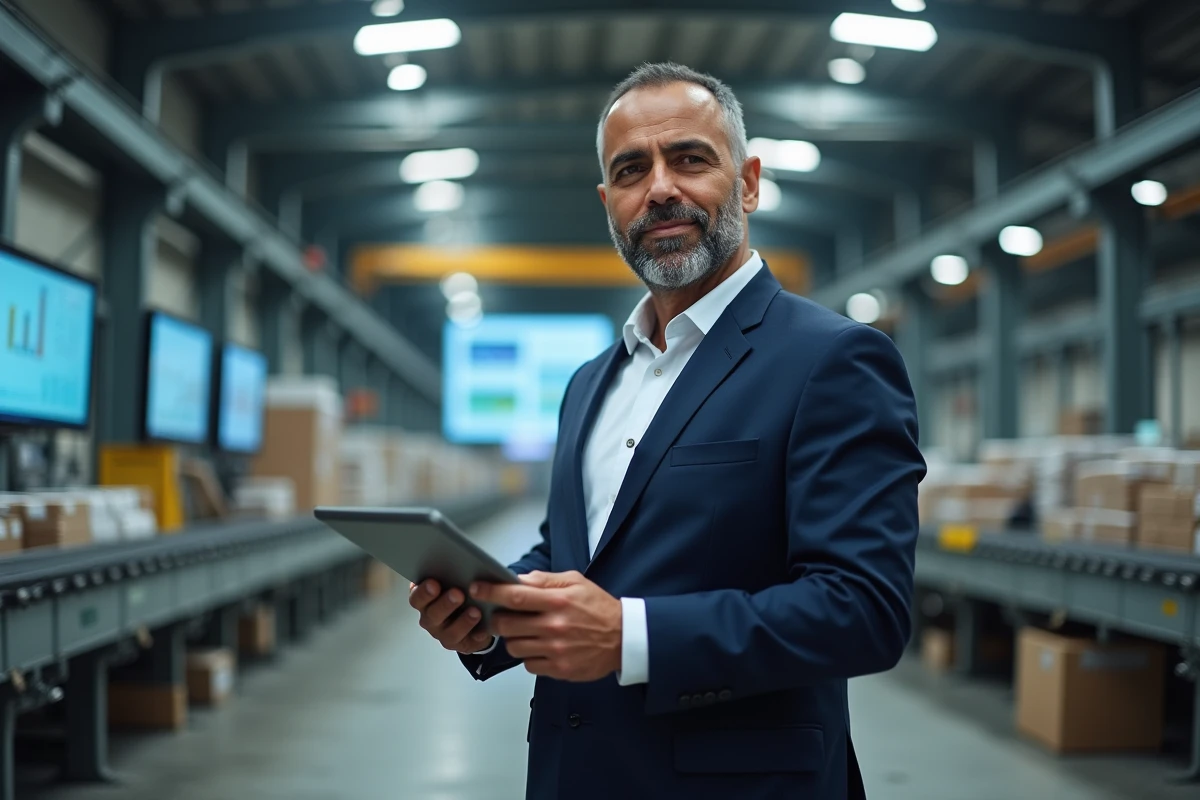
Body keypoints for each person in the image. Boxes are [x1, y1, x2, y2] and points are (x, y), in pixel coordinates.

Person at [409, 62, 926, 800]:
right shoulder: (593, 380)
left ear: (747, 182)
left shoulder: (832, 361)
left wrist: (629, 636)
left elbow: (864, 610)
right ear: (607, 202)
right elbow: (575, 551)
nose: (659, 189)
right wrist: (490, 617)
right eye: (630, 170)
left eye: (689, 158)